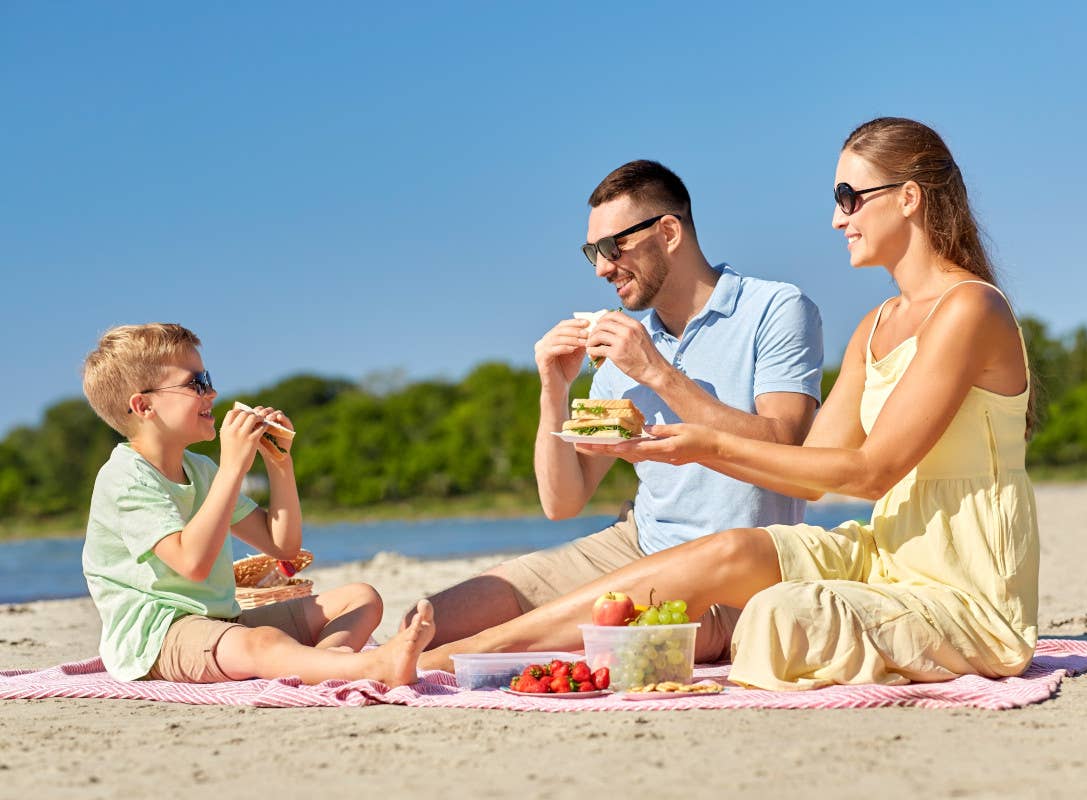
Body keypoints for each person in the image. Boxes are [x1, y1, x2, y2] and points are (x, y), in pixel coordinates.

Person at [418, 118, 1039, 691]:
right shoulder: (875, 325)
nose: (835, 218)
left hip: (961, 588)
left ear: (908, 198)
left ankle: (440, 663)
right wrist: (567, 393)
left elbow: (870, 471)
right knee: (722, 556)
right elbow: (816, 471)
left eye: (849, 198)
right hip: (873, 559)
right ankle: (429, 659)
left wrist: (703, 439)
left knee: (769, 614)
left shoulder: (968, 309)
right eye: (835, 200)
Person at [414, 160, 824, 660]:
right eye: (592, 252)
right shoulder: (623, 349)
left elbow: (786, 447)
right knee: (431, 621)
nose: (601, 268)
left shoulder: (776, 308)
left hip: (735, 575)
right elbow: (562, 502)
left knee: (593, 639)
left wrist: (657, 372)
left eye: (612, 247)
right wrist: (554, 388)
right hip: (637, 544)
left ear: (669, 231)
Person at [80, 323, 435, 687]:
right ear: (144, 405)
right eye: (196, 383)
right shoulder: (125, 478)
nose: (212, 392)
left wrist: (280, 464)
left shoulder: (200, 469)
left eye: (208, 379)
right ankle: (366, 667)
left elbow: (282, 545)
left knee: (362, 598)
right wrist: (233, 467)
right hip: (159, 636)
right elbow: (193, 564)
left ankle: (331, 665)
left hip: (221, 623)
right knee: (263, 642)